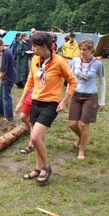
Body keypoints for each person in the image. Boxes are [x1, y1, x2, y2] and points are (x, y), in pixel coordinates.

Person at [15, 32, 77, 185]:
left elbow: (73, 81)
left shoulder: (60, 62)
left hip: (51, 104)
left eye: (34, 46)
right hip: (36, 101)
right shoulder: (35, 59)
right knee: (39, 139)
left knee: (35, 137)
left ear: (43, 47)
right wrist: (21, 101)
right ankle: (38, 167)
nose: (32, 48)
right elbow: (30, 81)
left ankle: (46, 167)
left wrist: (64, 101)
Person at [68, 38, 106, 160]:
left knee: (84, 125)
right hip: (77, 94)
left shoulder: (98, 64)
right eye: (81, 49)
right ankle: (81, 137)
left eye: (85, 50)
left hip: (90, 96)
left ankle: (82, 150)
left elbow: (102, 82)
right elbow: (70, 80)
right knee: (72, 124)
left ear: (91, 50)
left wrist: (102, 101)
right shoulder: (74, 61)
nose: (82, 52)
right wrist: (67, 96)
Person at [0, 39, 17, 121]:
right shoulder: (6, 51)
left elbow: (3, 72)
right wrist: (0, 53)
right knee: (0, 96)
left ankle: (9, 117)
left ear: (2, 45)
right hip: (7, 77)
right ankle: (0, 113)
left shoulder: (6, 54)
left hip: (8, 78)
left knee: (6, 97)